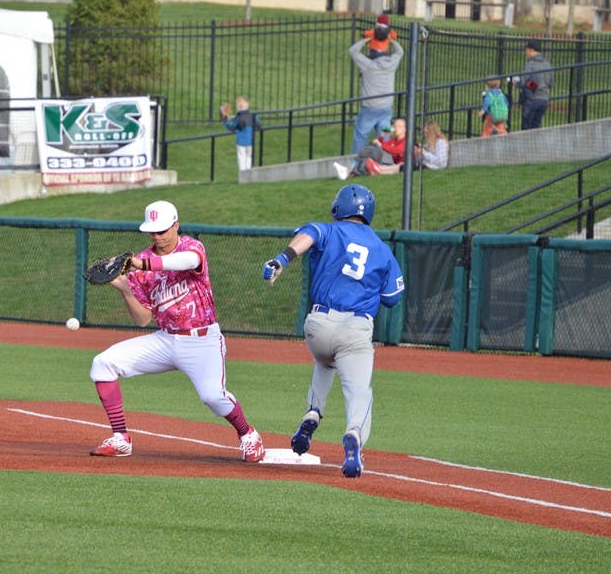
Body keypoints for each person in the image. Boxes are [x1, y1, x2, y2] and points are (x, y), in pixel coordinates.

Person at [88, 200, 265, 463]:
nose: (157, 236)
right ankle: (121, 438)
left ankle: (248, 434)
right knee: (103, 364)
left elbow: (186, 261)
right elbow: (143, 319)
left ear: (176, 225)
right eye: (152, 231)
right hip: (166, 339)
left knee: (213, 396)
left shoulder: (191, 248)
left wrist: (140, 264)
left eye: (162, 230)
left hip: (202, 339)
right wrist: (125, 289)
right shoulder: (140, 266)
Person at [261, 184, 404, 478]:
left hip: (319, 326)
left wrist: (282, 259)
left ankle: (313, 411)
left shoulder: (327, 229)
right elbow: (392, 299)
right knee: (359, 391)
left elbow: (307, 236)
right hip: (355, 328)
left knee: (326, 359)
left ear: (339, 208)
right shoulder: (383, 250)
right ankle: (353, 436)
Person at [349, 35, 405, 154]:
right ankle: (384, 160)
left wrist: (366, 39)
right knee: (385, 135)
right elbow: (400, 51)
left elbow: (353, 50)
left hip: (369, 109)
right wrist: (391, 40)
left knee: (361, 136)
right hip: (386, 109)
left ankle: (355, 163)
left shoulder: (368, 65)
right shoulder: (392, 64)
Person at [512, 40, 554, 131]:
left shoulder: (530, 64)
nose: (525, 52)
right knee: (536, 128)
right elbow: (551, 82)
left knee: (527, 128)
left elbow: (524, 82)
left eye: (526, 50)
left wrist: (516, 83)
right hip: (544, 100)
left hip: (532, 100)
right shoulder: (547, 63)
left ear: (531, 50)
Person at [220, 95, 262, 171]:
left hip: (240, 142)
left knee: (241, 158)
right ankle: (248, 174)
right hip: (250, 142)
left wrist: (225, 120)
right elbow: (258, 124)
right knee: (248, 158)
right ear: (247, 105)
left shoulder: (238, 118)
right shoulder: (252, 116)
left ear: (238, 107)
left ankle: (243, 175)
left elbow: (232, 127)